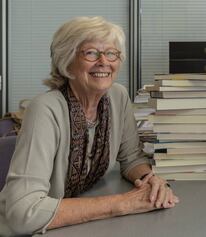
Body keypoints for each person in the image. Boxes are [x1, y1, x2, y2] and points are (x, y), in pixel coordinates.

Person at [0, 16, 179, 236]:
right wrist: (123, 203)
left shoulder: (118, 96)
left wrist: (151, 182)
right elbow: (23, 212)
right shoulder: (45, 109)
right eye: (91, 52)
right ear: (67, 62)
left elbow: (132, 158)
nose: (104, 61)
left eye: (112, 53)